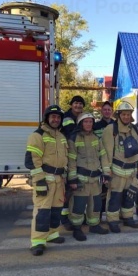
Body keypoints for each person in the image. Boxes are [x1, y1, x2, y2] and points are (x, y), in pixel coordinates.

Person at [25, 105, 68, 256]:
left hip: (59, 180)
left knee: (56, 210)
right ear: (47, 118)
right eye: (53, 117)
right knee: (42, 211)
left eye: (58, 117)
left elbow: (65, 159)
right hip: (45, 180)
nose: (55, 119)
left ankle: (52, 234)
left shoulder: (61, 137)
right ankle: (37, 242)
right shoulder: (38, 135)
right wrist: (40, 181)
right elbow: (32, 160)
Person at [99, 101, 138, 233]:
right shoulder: (110, 130)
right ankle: (112, 220)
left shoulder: (135, 130)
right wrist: (107, 172)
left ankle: (127, 217)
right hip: (116, 172)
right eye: (123, 114)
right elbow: (106, 152)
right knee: (115, 197)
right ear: (118, 115)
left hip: (131, 171)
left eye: (128, 114)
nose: (126, 117)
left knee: (130, 196)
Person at [66, 113, 110, 241]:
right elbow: (71, 161)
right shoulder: (74, 138)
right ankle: (77, 228)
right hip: (81, 180)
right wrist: (72, 179)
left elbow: (103, 157)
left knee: (95, 205)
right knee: (78, 206)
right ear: (81, 123)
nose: (88, 124)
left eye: (90, 122)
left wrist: (106, 173)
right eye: (86, 122)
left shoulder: (96, 138)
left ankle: (94, 225)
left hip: (95, 180)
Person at [60, 95, 86, 228]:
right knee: (67, 190)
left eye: (81, 104)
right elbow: (73, 134)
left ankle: (73, 215)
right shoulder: (67, 118)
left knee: (75, 190)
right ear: (71, 105)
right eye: (76, 103)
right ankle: (64, 219)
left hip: (76, 156)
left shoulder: (79, 118)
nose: (78, 106)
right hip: (67, 156)